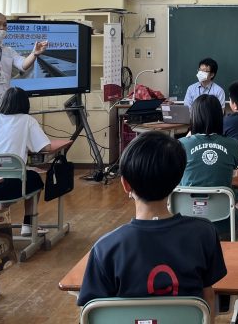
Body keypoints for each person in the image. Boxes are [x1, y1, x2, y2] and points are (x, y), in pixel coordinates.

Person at [78, 131, 226, 315]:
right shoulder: (204, 234)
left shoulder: (106, 248)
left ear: (125, 184)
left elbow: (93, 313)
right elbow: (208, 298)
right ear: (178, 180)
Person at [0, 87, 51, 236]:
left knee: (5, 174)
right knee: (35, 178)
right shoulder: (27, 121)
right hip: (11, 185)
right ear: (25, 104)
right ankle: (28, 225)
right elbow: (46, 146)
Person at [179, 95, 238, 239]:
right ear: (220, 117)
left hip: (185, 223)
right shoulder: (234, 144)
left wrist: (189, 138)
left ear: (193, 116)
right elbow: (235, 170)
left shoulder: (180, 145)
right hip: (225, 223)